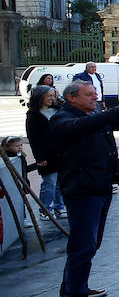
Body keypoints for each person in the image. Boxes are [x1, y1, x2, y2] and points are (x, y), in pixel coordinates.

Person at [48, 82, 119, 297]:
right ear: (71, 98)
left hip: (99, 185)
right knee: (83, 244)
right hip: (82, 188)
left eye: (95, 94)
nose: (94, 98)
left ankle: (74, 287)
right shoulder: (63, 119)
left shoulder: (93, 115)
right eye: (89, 95)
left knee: (90, 242)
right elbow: (83, 126)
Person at [24, 85, 66, 218]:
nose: (52, 98)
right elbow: (34, 138)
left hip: (62, 152)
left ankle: (60, 206)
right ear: (40, 97)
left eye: (53, 96)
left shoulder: (58, 110)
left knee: (61, 182)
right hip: (47, 155)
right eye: (49, 96)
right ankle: (45, 209)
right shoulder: (33, 115)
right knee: (50, 182)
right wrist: (40, 157)